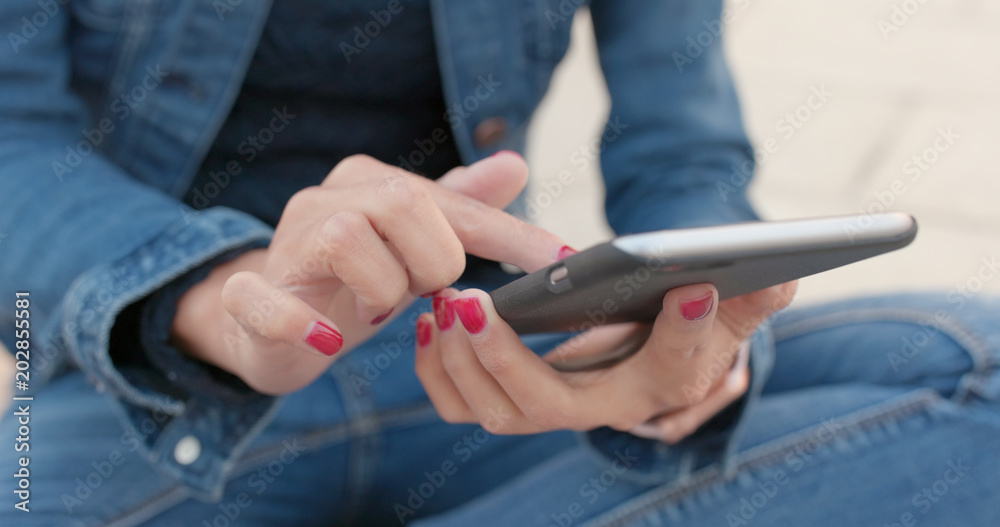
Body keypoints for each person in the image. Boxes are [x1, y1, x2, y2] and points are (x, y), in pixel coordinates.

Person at [1, 0, 997, 525]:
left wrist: (681, 343)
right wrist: (222, 296)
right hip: (161, 378)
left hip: (480, 355)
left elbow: (684, 154)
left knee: (980, 360)